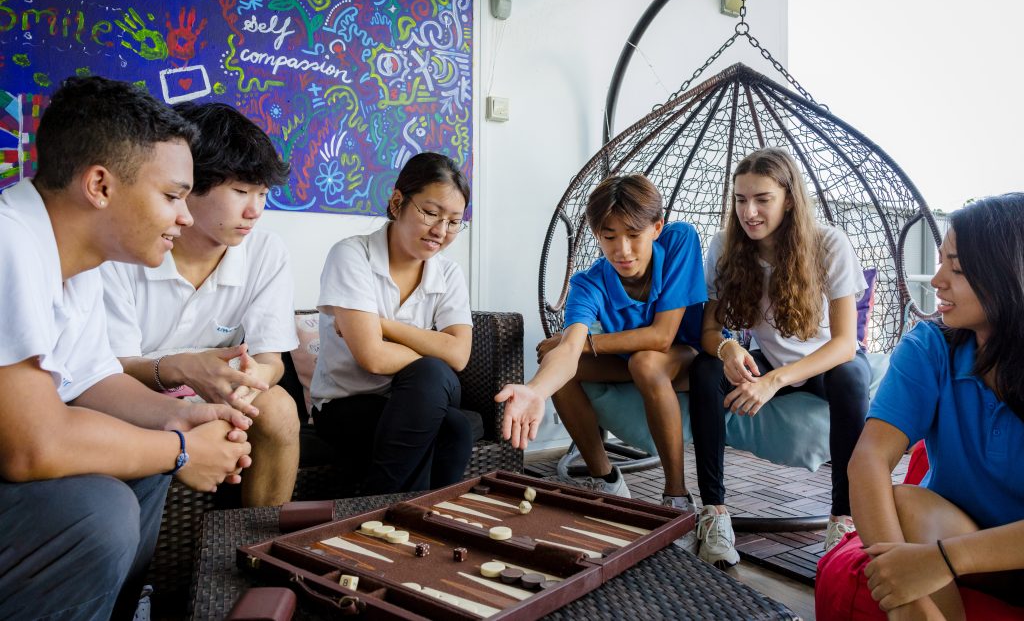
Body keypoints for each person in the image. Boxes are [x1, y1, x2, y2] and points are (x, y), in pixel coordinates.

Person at [0, 76, 251, 620]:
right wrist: (183, 451)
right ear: (100, 185)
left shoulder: (77, 256)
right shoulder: (10, 245)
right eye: (172, 197)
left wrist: (183, 417)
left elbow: (91, 381)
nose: (184, 218)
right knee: (98, 508)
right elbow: (33, 447)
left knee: (142, 455)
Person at [101, 102, 299, 507]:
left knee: (278, 408)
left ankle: (257, 547)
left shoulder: (265, 252)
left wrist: (242, 389)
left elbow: (271, 360)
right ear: (189, 185)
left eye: (263, 194)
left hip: (222, 388)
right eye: (241, 192)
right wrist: (184, 372)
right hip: (130, 389)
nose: (254, 211)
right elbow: (106, 369)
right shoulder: (126, 246)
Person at [843, 193, 1024, 619]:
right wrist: (905, 596)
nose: (936, 279)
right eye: (941, 260)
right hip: (957, 533)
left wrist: (942, 560)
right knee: (909, 501)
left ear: (1009, 275)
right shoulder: (930, 346)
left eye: (957, 268)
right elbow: (868, 460)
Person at [688, 147, 871, 568]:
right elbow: (709, 330)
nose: (749, 212)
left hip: (827, 361)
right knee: (705, 369)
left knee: (851, 378)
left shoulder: (828, 243)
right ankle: (714, 513)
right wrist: (729, 347)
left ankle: (843, 519)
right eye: (740, 199)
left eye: (762, 199)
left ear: (788, 198)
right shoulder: (724, 246)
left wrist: (774, 381)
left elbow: (845, 343)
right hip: (769, 356)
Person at [497, 174, 706, 508]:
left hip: (688, 358)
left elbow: (662, 336)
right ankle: (606, 479)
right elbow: (567, 350)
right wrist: (536, 390)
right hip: (628, 363)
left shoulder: (680, 239)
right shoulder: (587, 283)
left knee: (646, 360)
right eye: (609, 237)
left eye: (634, 235)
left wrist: (581, 343)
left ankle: (677, 495)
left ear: (656, 227)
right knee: (560, 368)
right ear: (597, 235)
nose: (622, 251)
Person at [311, 152, 474, 494]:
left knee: (433, 378)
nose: (441, 231)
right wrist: (434, 351)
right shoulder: (352, 255)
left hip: (420, 397)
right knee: (454, 426)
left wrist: (382, 326)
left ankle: (380, 510)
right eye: (430, 213)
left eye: (454, 221)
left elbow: (459, 355)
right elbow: (372, 358)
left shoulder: (449, 272)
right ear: (398, 202)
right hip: (347, 405)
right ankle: (409, 514)